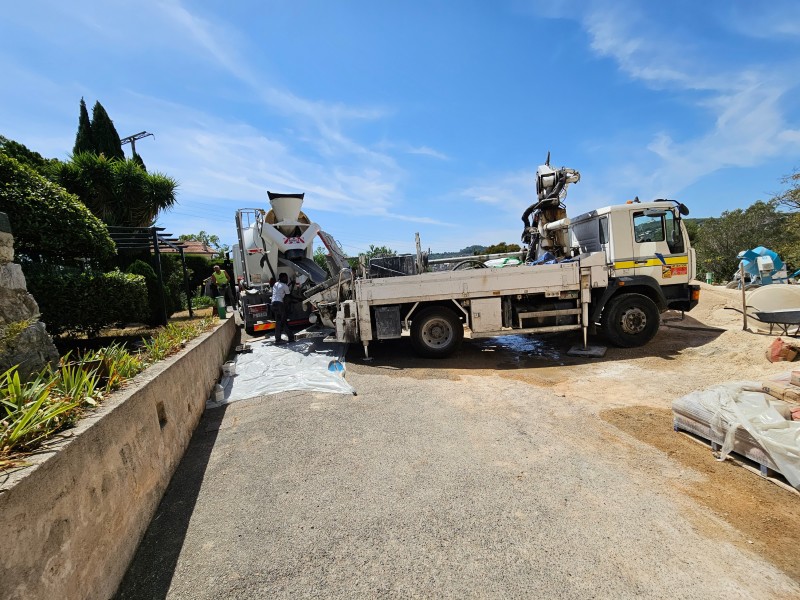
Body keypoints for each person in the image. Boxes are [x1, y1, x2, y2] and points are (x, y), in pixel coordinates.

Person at [271, 272, 294, 343]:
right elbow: (288, 295)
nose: (287, 279)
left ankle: (277, 339)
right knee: (284, 321)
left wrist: (290, 284)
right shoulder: (285, 286)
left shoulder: (276, 284)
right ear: (281, 278)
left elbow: (281, 289)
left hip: (273, 303)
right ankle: (291, 338)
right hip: (279, 304)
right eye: (285, 277)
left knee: (278, 322)